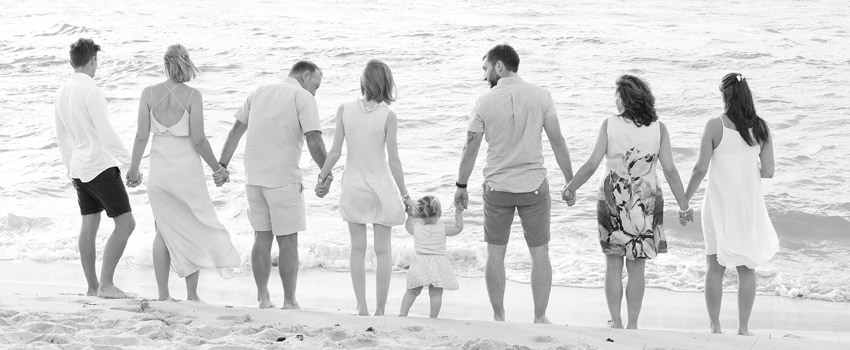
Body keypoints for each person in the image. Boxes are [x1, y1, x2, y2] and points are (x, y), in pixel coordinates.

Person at [454, 44, 574, 323]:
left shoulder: (483, 102)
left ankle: (499, 316)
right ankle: (540, 317)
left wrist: (461, 185)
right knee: (540, 253)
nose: (484, 75)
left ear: (499, 66)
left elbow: (470, 147)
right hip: (534, 187)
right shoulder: (541, 96)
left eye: (486, 68)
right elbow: (558, 141)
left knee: (495, 254)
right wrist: (570, 181)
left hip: (497, 189)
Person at [562, 75, 691, 329]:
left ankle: (617, 321)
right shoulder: (659, 128)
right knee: (637, 267)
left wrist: (570, 189)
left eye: (617, 96)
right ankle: (633, 324)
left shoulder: (609, 124)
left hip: (612, 200)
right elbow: (670, 170)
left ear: (624, 98)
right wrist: (684, 206)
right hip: (646, 202)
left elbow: (592, 164)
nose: (615, 100)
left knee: (613, 264)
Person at [125, 44, 240, 302]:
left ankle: (163, 294)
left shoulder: (148, 93)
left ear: (165, 64)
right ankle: (191, 295)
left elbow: (141, 136)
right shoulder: (193, 96)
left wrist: (134, 169)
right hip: (187, 173)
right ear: (186, 63)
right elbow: (198, 139)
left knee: (161, 231)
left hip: (159, 173)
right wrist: (217, 169)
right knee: (192, 228)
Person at [218, 61, 331, 309]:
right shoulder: (303, 97)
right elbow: (313, 138)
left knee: (261, 237)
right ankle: (289, 301)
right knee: (288, 240)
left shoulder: (259, 92)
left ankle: (263, 297)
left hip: (254, 179)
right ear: (306, 75)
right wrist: (326, 173)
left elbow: (236, 130)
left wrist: (222, 165)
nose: (315, 92)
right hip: (283, 179)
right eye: (316, 85)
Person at [316, 59, 414, 316]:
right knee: (383, 250)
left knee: (357, 249)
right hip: (380, 186)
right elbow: (394, 160)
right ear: (387, 83)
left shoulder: (344, 109)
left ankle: (362, 306)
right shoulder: (388, 116)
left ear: (364, 81)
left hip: (354, 185)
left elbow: (335, 152)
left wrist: (322, 177)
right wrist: (405, 196)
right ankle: (380, 309)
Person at [684, 73, 779, 335]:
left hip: (718, 204)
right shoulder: (761, 128)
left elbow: (699, 169)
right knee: (747, 268)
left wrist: (684, 201)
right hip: (748, 206)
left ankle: (715, 327)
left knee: (714, 267)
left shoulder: (714, 125)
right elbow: (768, 171)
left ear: (725, 95)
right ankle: (743, 329)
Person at [54, 38, 135, 299]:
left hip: (78, 168)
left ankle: (92, 286)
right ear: (93, 61)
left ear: (72, 61)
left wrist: (70, 169)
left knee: (89, 224)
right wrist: (130, 163)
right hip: (100, 166)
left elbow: (61, 137)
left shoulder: (62, 92)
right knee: (126, 224)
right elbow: (106, 132)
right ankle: (106, 284)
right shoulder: (92, 91)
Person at [398, 196, 463, 318]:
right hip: (438, 263)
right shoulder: (442, 228)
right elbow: (458, 228)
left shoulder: (416, 228)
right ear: (439, 213)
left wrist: (410, 215)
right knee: (436, 294)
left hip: (420, 262)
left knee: (412, 291)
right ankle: (433, 317)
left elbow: (408, 227)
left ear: (419, 214)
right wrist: (458, 213)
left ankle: (403, 314)